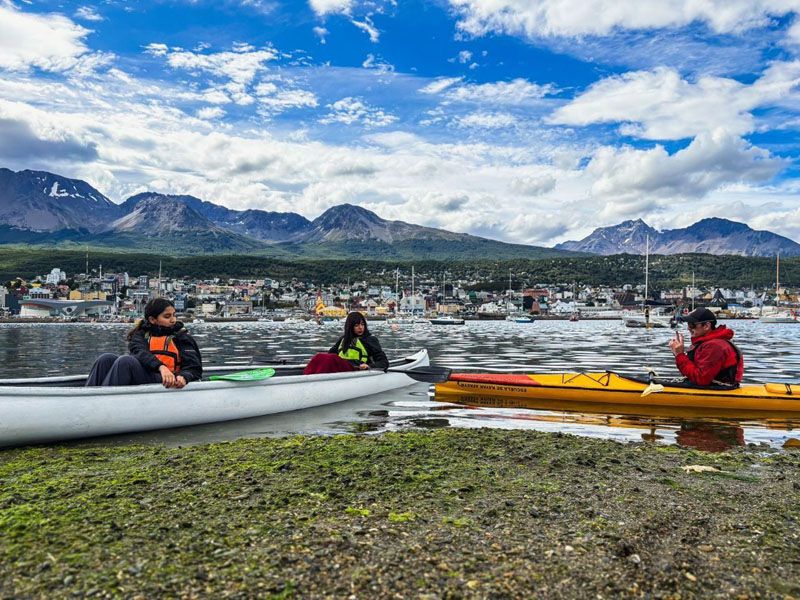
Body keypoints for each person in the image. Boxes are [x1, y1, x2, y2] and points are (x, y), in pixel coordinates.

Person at [86, 298, 203, 387]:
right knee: (106, 358)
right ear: (152, 320)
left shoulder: (182, 337)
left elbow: (194, 368)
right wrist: (161, 367)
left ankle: (103, 403)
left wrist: (184, 377)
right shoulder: (141, 335)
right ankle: (87, 398)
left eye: (174, 315)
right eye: (167, 316)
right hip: (149, 374)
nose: (173, 320)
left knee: (126, 362)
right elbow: (139, 352)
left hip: (168, 379)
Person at [667, 307, 743, 387]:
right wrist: (677, 354)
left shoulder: (714, 346)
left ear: (706, 326)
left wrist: (680, 355)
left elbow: (701, 379)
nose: (688, 328)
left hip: (720, 390)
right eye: (688, 324)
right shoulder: (708, 344)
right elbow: (691, 373)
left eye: (692, 324)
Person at [303, 311, 389, 375]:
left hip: (356, 369)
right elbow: (330, 354)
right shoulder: (343, 339)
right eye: (356, 325)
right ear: (350, 327)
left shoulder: (370, 340)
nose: (360, 328)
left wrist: (369, 366)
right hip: (342, 369)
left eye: (362, 324)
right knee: (319, 357)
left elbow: (384, 362)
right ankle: (307, 376)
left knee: (330, 358)